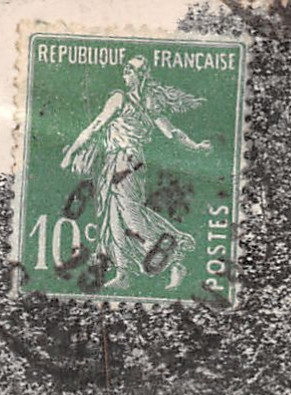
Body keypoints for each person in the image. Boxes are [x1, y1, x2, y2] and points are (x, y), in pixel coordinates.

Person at [61, 55, 213, 291]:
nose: (126, 72)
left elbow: (171, 132)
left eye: (131, 69)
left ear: (142, 75)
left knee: (131, 214)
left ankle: (175, 257)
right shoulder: (125, 99)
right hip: (114, 161)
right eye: (125, 68)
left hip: (127, 161)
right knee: (112, 219)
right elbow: (99, 125)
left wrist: (196, 146)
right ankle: (123, 273)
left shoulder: (131, 101)